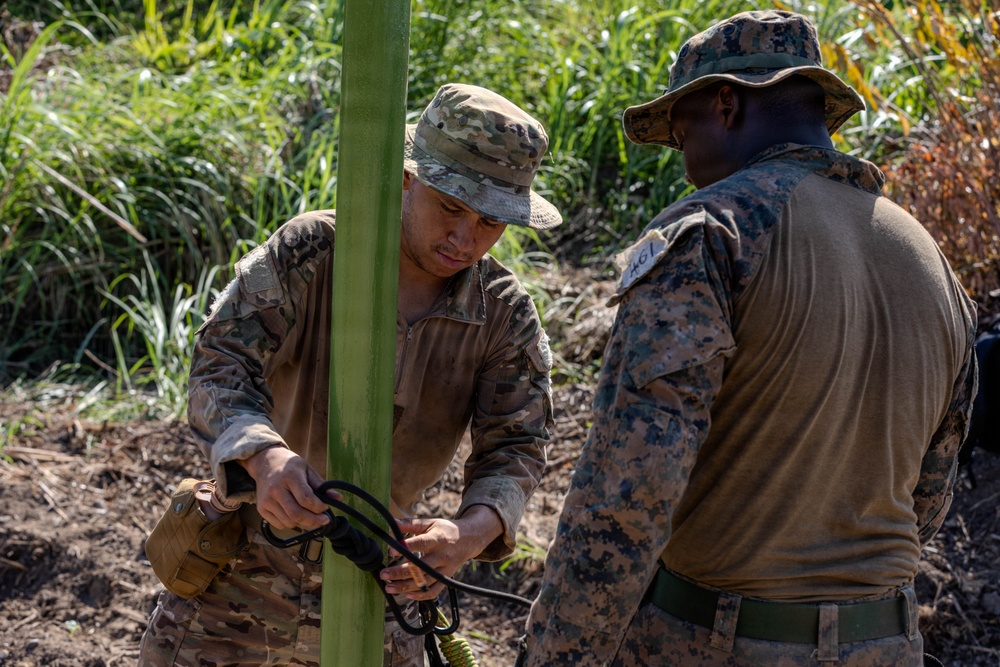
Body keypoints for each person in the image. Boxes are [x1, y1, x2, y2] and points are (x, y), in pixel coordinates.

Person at [520, 10, 977, 667]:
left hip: (713, 642)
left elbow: (629, 490)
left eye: (682, 135)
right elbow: (929, 495)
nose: (684, 165)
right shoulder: (929, 260)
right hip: (886, 640)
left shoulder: (710, 229)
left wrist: (557, 653)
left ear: (726, 103)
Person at [137, 82, 562, 667]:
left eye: (490, 222)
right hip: (243, 575)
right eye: (451, 207)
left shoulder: (502, 312)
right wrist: (264, 458)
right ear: (409, 180)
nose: (465, 238)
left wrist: (469, 533)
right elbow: (220, 364)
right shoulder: (312, 252)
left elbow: (517, 444)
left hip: (381, 576)